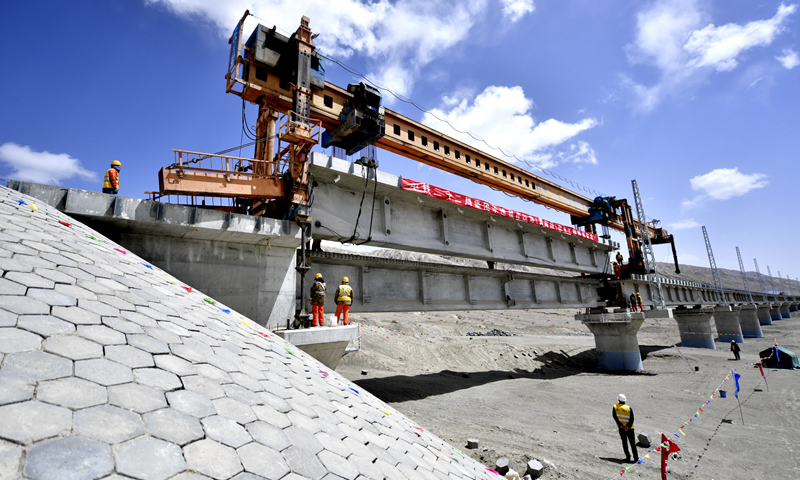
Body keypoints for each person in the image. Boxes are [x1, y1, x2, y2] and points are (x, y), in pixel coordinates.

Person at [613, 394, 638, 463]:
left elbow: (615, 417)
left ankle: (628, 457)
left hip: (621, 428)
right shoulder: (628, 408)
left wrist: (621, 425)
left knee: (624, 443)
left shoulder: (615, 407)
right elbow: (632, 418)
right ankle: (636, 458)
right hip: (630, 429)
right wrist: (628, 426)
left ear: (618, 400)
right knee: (632, 443)